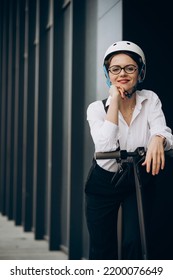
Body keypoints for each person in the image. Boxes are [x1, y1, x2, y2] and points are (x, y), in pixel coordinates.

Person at [84, 40, 173, 260]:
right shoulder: (96, 109)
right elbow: (104, 146)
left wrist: (158, 138)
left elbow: (163, 131)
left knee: (135, 242)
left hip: (137, 180)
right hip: (103, 182)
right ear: (108, 74)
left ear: (140, 72)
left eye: (130, 68)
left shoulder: (150, 99)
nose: (122, 73)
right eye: (115, 69)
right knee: (101, 248)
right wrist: (114, 100)